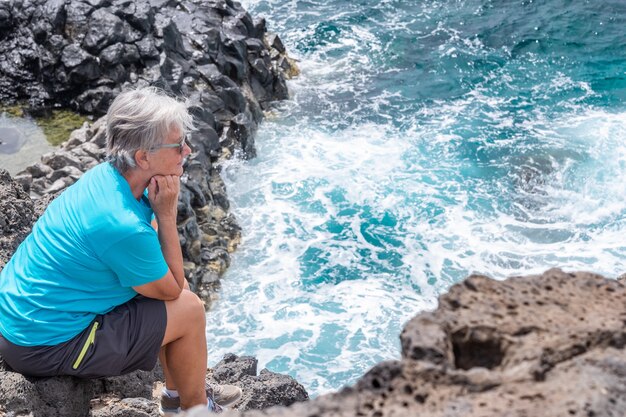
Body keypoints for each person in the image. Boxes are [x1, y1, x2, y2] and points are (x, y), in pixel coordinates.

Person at [0, 87, 241, 415]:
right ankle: (197, 409)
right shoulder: (121, 223)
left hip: (24, 317)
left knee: (178, 293)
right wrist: (167, 215)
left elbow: (158, 270)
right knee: (190, 309)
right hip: (43, 343)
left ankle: (179, 394)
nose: (186, 150)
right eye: (177, 145)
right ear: (143, 157)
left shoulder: (109, 177)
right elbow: (170, 287)